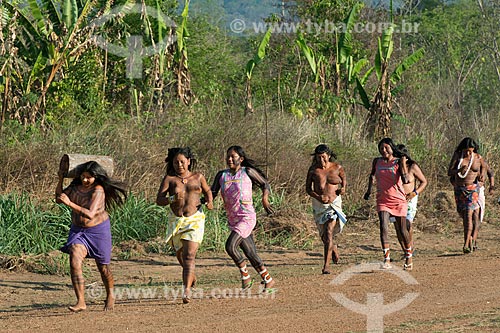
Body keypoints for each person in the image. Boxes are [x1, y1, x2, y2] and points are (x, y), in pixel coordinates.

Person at [56, 161, 127, 312]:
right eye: (83, 176)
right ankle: (81, 301)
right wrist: (60, 179)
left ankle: (110, 295)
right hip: (78, 231)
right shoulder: (75, 187)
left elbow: (89, 214)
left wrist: (69, 203)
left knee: (103, 267)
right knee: (74, 259)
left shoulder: (98, 190)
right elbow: (58, 198)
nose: (85, 180)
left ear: (96, 177)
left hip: (98, 231)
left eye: (89, 177)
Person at [211, 146, 276, 293]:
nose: (229, 159)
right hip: (233, 219)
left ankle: (245, 276)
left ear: (241, 159)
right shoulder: (221, 175)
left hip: (247, 218)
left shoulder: (247, 172)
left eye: (232, 156)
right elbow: (212, 193)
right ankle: (268, 280)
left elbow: (265, 184)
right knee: (250, 252)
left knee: (230, 246)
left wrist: (265, 199)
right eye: (227, 156)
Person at [156, 147, 213, 304]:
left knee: (189, 255)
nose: (179, 164)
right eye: (176, 162)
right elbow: (159, 200)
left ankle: (186, 291)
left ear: (189, 161)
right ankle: (191, 275)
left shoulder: (198, 177)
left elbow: (208, 191)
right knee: (181, 255)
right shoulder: (169, 179)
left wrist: (209, 201)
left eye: (182, 161)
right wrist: (171, 199)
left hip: (194, 220)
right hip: (177, 221)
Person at [364, 138, 412, 270]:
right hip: (383, 199)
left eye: (386, 148)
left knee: (402, 230)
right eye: (381, 148)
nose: (383, 150)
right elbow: (372, 176)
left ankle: (408, 256)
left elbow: (406, 180)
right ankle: (387, 259)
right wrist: (368, 191)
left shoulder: (398, 161)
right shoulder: (377, 161)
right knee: (383, 227)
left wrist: (402, 165)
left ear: (392, 148)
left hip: (398, 200)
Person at [305, 144, 347, 275]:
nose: (321, 161)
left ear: (328, 156)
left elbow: (344, 180)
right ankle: (332, 247)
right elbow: (308, 189)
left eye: (323, 157)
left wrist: (343, 188)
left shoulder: (337, 167)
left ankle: (326, 266)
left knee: (329, 232)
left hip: (334, 204)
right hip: (320, 206)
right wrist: (318, 197)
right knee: (324, 236)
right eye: (318, 158)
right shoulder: (313, 170)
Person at [448, 138, 488, 253]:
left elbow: (485, 167)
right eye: (466, 151)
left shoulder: (477, 157)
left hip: (472, 190)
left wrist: (482, 176)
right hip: (460, 190)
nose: (468, 153)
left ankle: (466, 243)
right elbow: (449, 172)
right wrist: (459, 169)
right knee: (464, 215)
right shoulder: (458, 156)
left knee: (468, 215)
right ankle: (470, 239)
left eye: (470, 151)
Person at [393, 144, 428, 256]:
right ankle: (405, 250)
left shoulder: (412, 167)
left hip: (409, 199)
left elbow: (424, 182)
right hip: (396, 198)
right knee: (398, 226)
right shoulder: (393, 167)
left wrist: (415, 192)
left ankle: (410, 246)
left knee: (407, 224)